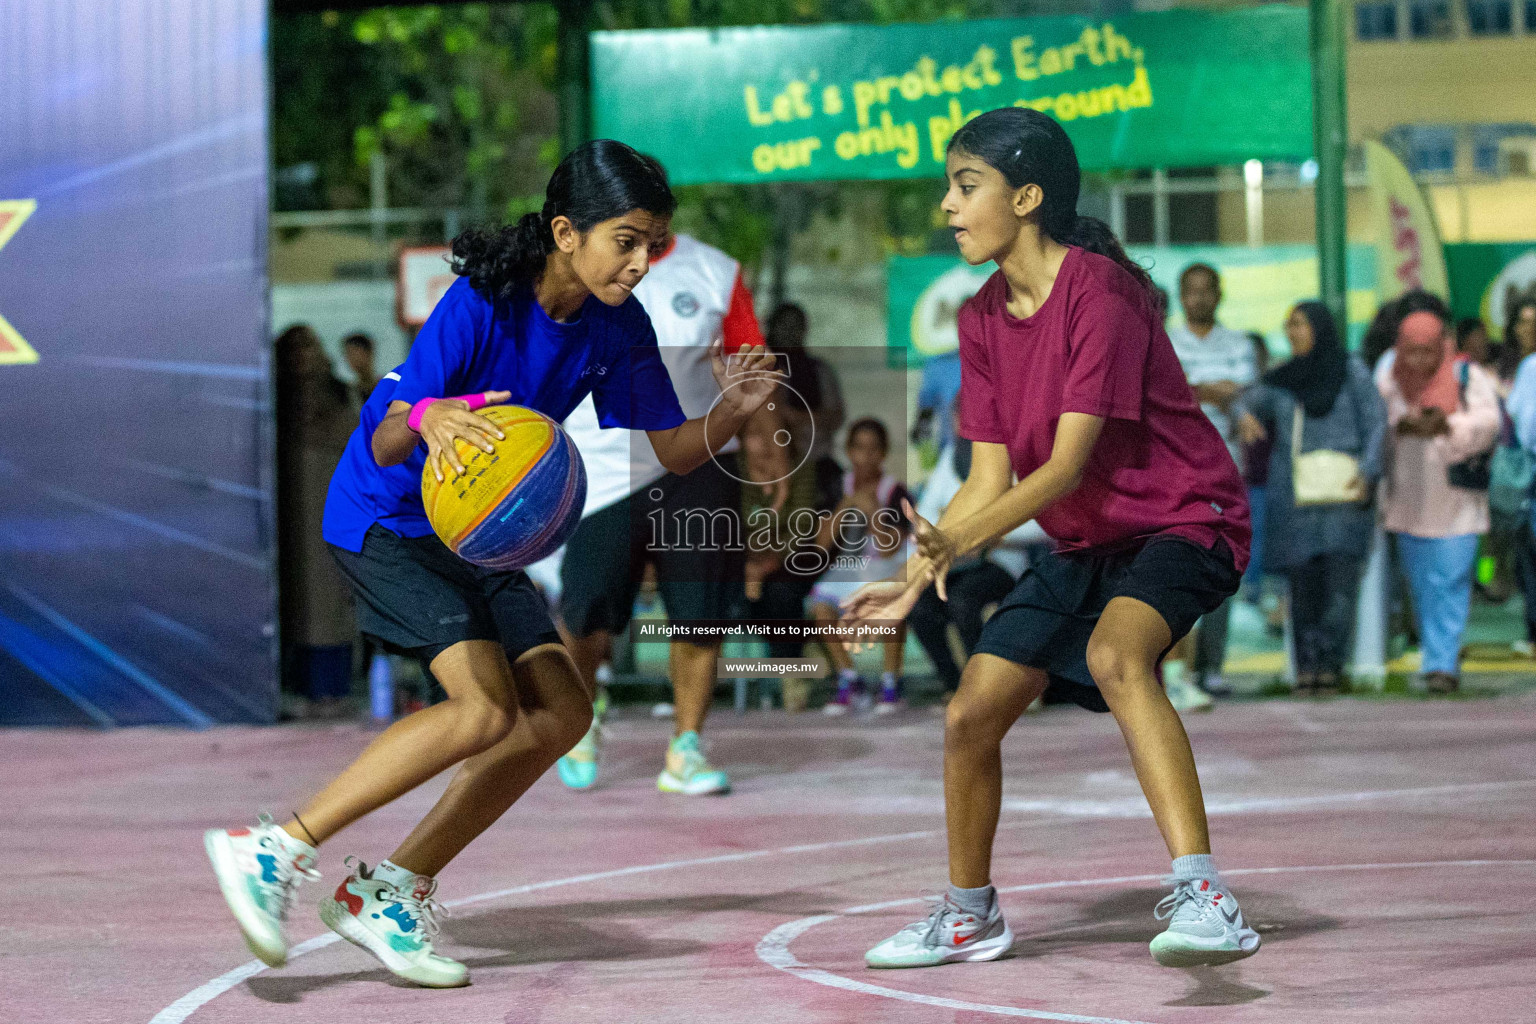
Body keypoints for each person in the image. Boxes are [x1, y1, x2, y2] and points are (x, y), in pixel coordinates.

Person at [202, 140, 778, 988]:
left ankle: (386, 892)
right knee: (481, 711)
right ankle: (274, 847)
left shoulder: (621, 325)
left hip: (481, 530)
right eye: (625, 239)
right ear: (565, 231)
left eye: (652, 242)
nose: (641, 260)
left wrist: (732, 409)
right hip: (387, 520)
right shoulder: (481, 303)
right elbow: (389, 431)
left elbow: (677, 452)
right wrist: (433, 415)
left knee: (561, 713)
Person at [841, 108, 1260, 970]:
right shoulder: (981, 320)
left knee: (1117, 656)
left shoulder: (1100, 292)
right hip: (1090, 544)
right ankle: (969, 914)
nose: (946, 207)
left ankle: (1205, 896)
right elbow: (989, 479)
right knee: (970, 711)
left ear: (1026, 196)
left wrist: (952, 546)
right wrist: (920, 572)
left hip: (1188, 518)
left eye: (966, 187)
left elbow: (1066, 466)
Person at [550, 223, 785, 795]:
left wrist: (766, 443)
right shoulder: (583, 261)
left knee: (700, 612)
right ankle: (582, 719)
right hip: (603, 466)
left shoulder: (717, 271)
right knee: (584, 616)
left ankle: (685, 747)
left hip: (701, 460)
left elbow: (751, 364)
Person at [1235, 303, 1386, 696]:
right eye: (1287, 325)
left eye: (1299, 324)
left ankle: (1331, 666)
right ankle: (1306, 668)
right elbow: (1246, 400)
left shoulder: (1350, 371)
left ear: (1319, 328)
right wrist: (1243, 414)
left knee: (1339, 587)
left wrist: (1369, 472)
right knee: (1301, 589)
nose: (1291, 332)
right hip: (1296, 500)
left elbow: (1376, 423)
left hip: (1345, 496)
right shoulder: (1285, 378)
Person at [1378, 311, 1500, 694]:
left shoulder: (1467, 375)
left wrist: (1449, 426)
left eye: (1426, 351)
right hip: (1408, 500)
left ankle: (1442, 664)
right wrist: (1402, 424)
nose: (1417, 361)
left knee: (1451, 580)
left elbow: (1490, 421)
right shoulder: (1389, 375)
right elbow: (1374, 420)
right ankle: (1436, 654)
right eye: (1410, 351)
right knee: (1422, 586)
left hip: (1458, 501)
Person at [1164, 263, 1258, 701]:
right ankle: (1177, 668)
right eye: (1191, 291)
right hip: (1176, 471)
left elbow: (1244, 393)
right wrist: (1210, 389)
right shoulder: (1165, 342)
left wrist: (1192, 387)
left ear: (1219, 294)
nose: (1199, 298)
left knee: (1223, 564)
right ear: (1182, 296)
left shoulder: (1238, 343)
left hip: (1226, 468)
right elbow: (1171, 394)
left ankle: (1212, 667)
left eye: (1207, 290)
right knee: (1177, 567)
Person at [906, 420, 1042, 698]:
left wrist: (989, 532)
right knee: (919, 605)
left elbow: (1043, 521)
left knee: (962, 601)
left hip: (1002, 560)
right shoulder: (953, 456)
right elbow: (928, 512)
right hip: (957, 560)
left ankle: (984, 687)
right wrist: (957, 533)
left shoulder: (1020, 452)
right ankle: (955, 684)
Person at [274, 324, 358, 718]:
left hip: (334, 507)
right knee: (297, 602)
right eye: (294, 351)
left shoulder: (342, 393)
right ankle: (301, 687)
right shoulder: (274, 400)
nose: (304, 357)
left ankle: (332, 688)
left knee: (332, 602)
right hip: (290, 517)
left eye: (310, 347)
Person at [809, 418, 912, 714]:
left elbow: (892, 546)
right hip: (849, 570)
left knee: (895, 605)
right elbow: (821, 544)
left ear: (883, 453)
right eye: (859, 449)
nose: (865, 456)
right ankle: (849, 679)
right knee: (821, 608)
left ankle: (891, 681)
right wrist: (847, 506)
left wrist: (873, 512)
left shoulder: (895, 492)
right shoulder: (837, 487)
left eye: (873, 450)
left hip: (887, 569)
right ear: (849, 451)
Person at [767, 301, 847, 512]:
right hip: (769, 464)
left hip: (815, 461)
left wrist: (799, 418)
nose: (789, 332)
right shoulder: (760, 368)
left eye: (796, 326)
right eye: (784, 325)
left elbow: (836, 416)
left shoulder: (819, 370)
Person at [342, 332, 381, 403]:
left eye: (354, 353)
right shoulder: (350, 393)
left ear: (369, 352)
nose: (351, 359)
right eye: (348, 354)